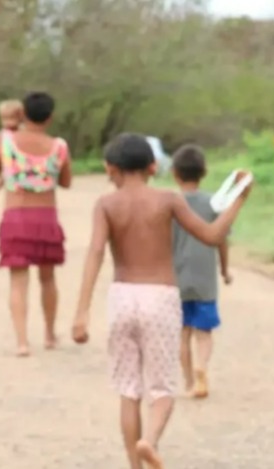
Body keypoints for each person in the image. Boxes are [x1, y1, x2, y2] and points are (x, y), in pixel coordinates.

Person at [70, 133, 252, 469]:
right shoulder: (168, 199)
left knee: (128, 389)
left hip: (122, 296)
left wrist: (81, 312)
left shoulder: (106, 205)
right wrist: (239, 199)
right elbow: (212, 236)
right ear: (153, 167)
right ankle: (149, 441)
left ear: (110, 168)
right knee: (162, 389)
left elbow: (95, 252)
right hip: (161, 298)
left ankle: (134, 464)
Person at [0, 92, 71, 357]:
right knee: (48, 278)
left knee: (18, 281)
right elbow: (66, 181)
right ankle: (49, 334)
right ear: (51, 117)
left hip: (15, 216)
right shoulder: (59, 146)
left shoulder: (6, 141)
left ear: (22, 113)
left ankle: (22, 342)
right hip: (46, 217)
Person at [170, 144, 234, 399]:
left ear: (175, 173)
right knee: (203, 332)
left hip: (176, 278)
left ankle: (187, 380)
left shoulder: (170, 204)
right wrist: (225, 270)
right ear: (204, 172)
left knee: (182, 332)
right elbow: (221, 240)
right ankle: (201, 368)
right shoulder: (212, 204)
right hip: (205, 277)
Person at [0, 99, 24, 210]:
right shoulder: (1, 135)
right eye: (5, 119)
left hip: (23, 164)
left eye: (12, 118)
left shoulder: (23, 131)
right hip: (8, 164)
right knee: (2, 179)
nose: (9, 122)